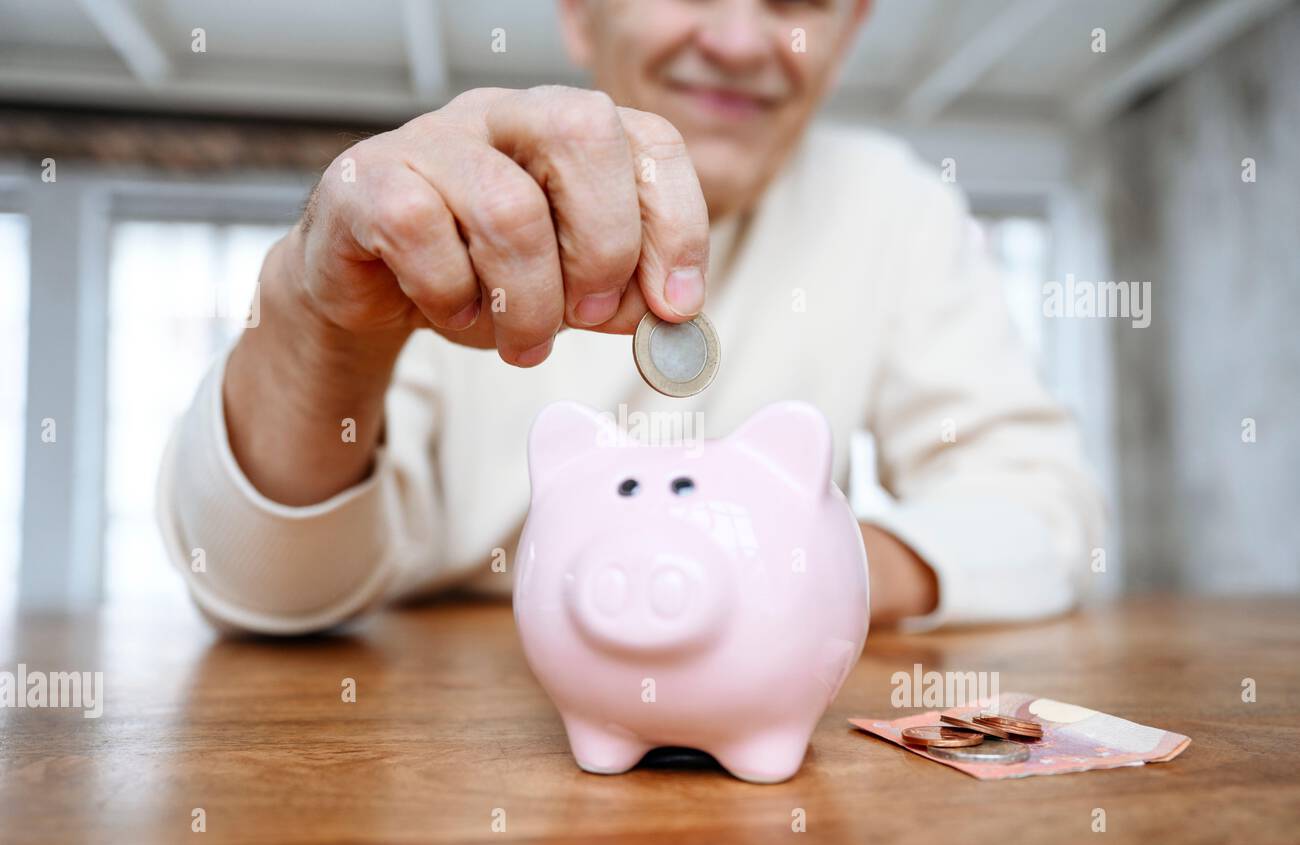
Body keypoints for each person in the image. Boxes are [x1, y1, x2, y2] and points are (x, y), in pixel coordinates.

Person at [157, 0, 1104, 634]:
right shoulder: (435, 196)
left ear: (848, 29)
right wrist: (317, 319)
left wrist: (798, 561)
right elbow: (261, 585)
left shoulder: (895, 204)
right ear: (579, 10)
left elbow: (1048, 518)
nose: (740, 40)